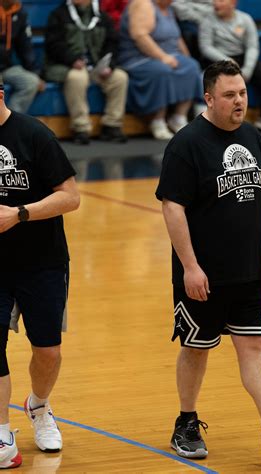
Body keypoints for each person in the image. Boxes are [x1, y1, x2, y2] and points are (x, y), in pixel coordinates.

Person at [156, 60, 261, 463]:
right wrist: (191, 267)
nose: (239, 101)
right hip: (205, 274)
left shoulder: (251, 135)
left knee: (252, 346)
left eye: (243, 93)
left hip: (249, 269)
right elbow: (172, 208)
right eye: (229, 95)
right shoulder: (186, 144)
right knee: (197, 347)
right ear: (209, 97)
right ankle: (186, 423)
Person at [0, 77, 80, 468]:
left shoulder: (34, 135)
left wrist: (19, 214)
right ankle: (1, 431)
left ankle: (40, 405)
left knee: (47, 350)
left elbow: (71, 196)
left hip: (42, 260)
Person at [44, 0, 128, 145]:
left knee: (120, 77)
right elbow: (53, 44)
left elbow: (112, 42)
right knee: (77, 78)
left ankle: (112, 125)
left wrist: (109, 64)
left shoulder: (101, 16)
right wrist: (72, 60)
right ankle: (80, 127)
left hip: (96, 66)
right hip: (66, 65)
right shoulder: (58, 15)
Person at [118, 0, 202, 140]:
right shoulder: (142, 4)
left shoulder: (168, 9)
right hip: (139, 58)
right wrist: (163, 57)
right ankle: (157, 121)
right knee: (161, 70)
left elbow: (177, 37)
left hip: (169, 55)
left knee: (192, 67)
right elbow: (140, 36)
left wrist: (187, 57)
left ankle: (178, 118)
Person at [199, 0, 261, 134]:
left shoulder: (245, 19)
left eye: (221, 1)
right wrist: (227, 60)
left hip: (242, 58)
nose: (216, 4)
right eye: (215, 0)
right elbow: (206, 47)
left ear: (233, 3)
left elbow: (252, 46)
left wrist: (247, 70)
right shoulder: (207, 21)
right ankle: (215, 119)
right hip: (217, 59)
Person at [0, 0, 45, 114]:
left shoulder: (20, 13)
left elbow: (25, 47)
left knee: (31, 82)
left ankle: (8, 125)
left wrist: (34, 72)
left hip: (6, 67)